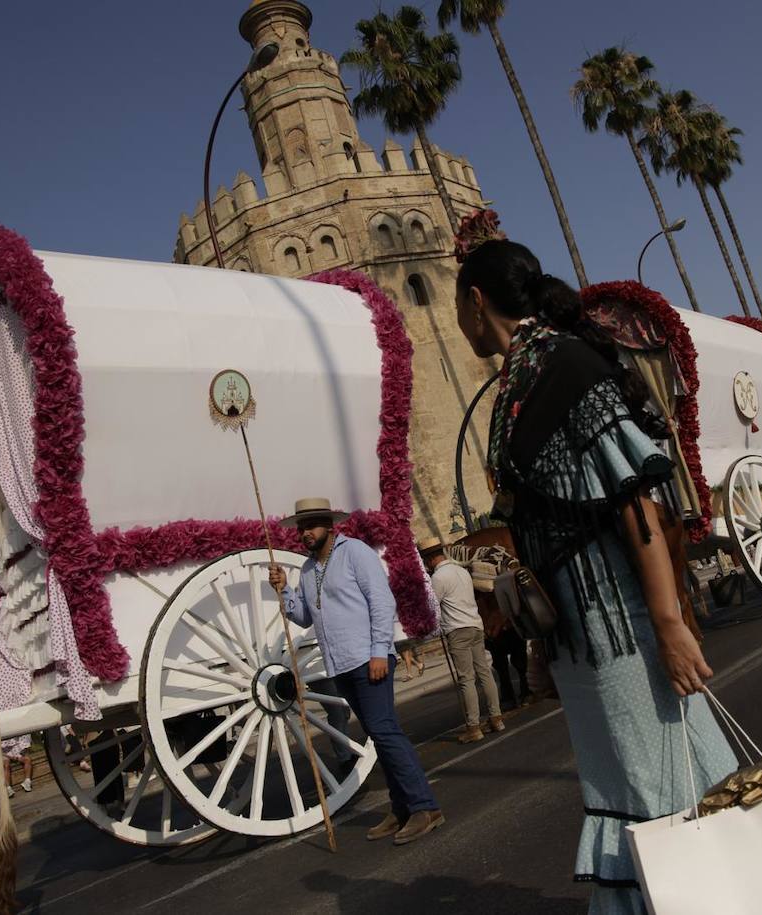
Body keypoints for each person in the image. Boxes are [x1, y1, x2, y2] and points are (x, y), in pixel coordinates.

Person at [454, 237, 737, 913]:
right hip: (583, 635)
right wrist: (543, 640)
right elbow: (537, 526)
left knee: (655, 781)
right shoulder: (516, 386)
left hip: (621, 625)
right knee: (630, 778)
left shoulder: (566, 365)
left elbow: (634, 500)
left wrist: (669, 624)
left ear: (475, 302)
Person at [268, 497, 443, 846]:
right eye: (302, 528)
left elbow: (381, 602)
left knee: (385, 731)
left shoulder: (356, 553)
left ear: (330, 525)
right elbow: (304, 616)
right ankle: (402, 807)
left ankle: (426, 807)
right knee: (379, 736)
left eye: (312, 525)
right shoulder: (306, 570)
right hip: (341, 665)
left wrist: (380, 650)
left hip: (368, 659)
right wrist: (284, 589)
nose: (305, 533)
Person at [419, 536, 504, 743]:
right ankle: (496, 718)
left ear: (430, 560)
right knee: (484, 672)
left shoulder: (438, 578)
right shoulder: (462, 571)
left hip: (457, 630)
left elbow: (432, 608)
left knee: (466, 679)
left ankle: (473, 727)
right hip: (475, 624)